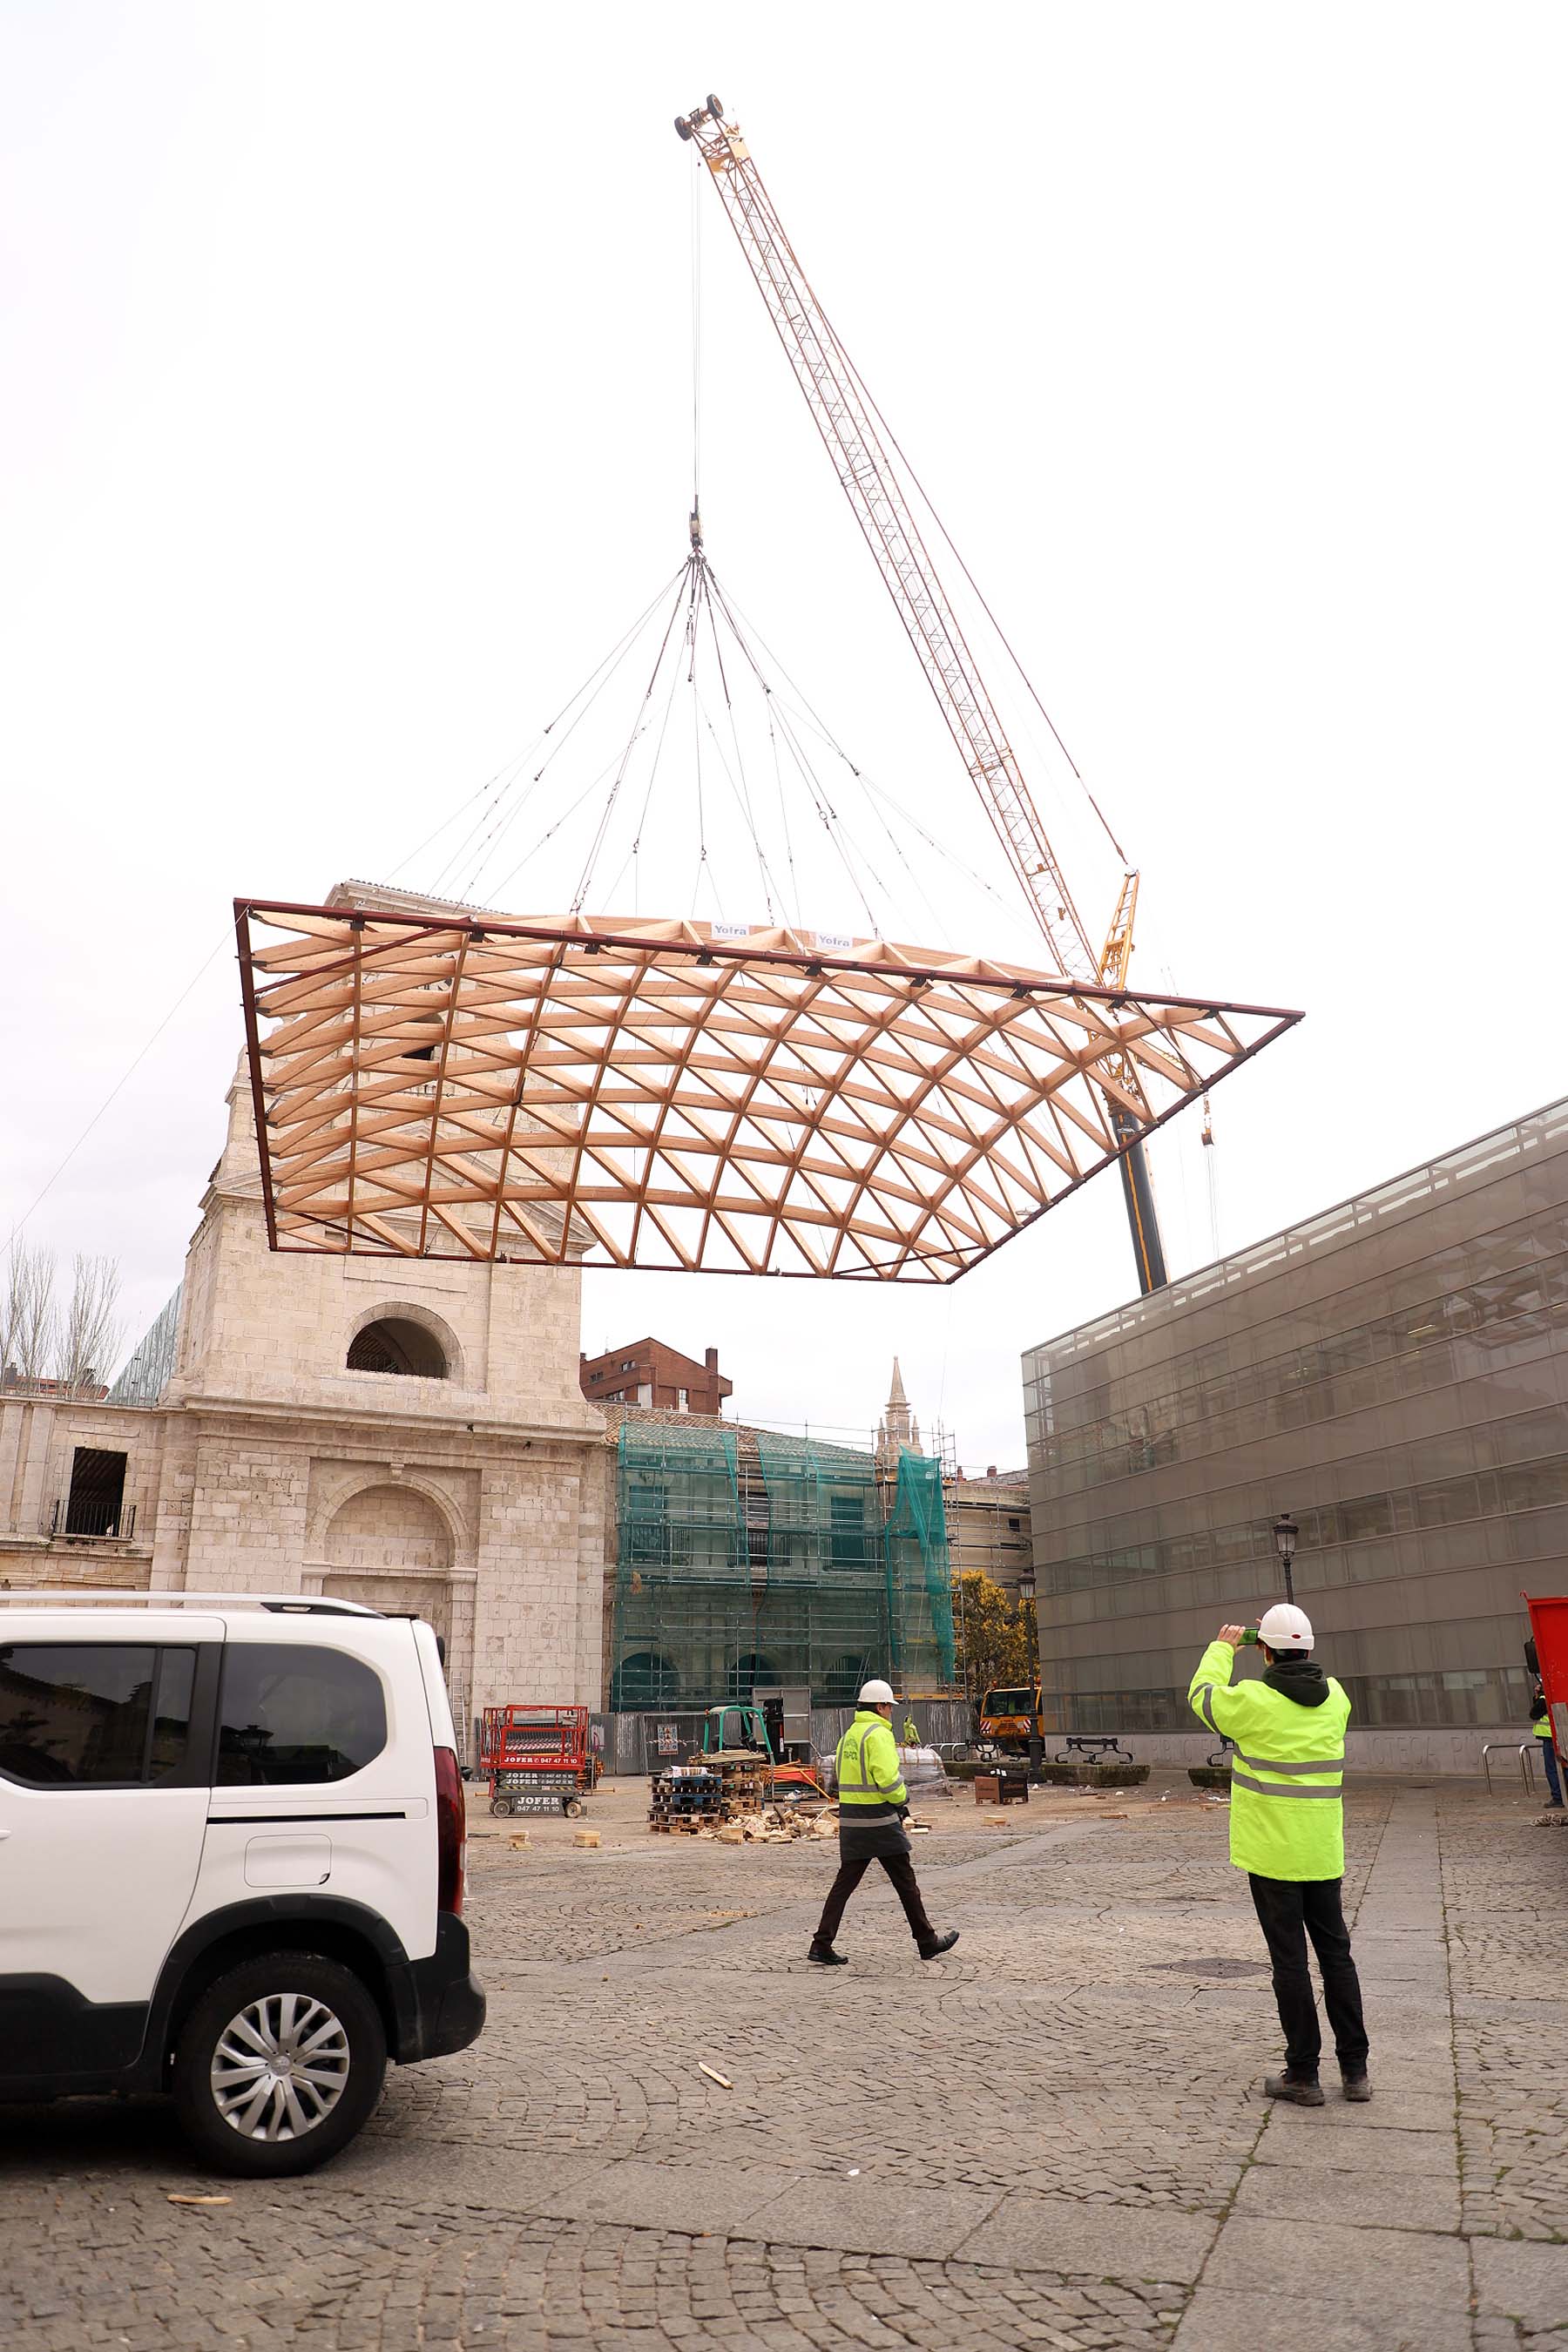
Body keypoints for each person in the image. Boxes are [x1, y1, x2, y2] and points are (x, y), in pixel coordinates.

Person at [1189, 1605, 1370, 2107]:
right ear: (1310, 1649)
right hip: (1322, 1851)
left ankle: (1303, 2074)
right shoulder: (1337, 1699)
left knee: (1290, 1964)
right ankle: (1355, 2071)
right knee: (1338, 1958)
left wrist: (1223, 1647)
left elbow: (1201, 1697)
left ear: (1264, 1650)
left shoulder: (1251, 1701)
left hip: (1272, 1857)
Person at [808, 1678, 959, 1966]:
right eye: (889, 1706)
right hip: (879, 1819)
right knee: (906, 1882)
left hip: (853, 1820)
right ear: (879, 1706)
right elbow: (888, 1779)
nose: (891, 1712)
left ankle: (821, 1943)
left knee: (844, 1884)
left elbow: (840, 1774)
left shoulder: (850, 1734)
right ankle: (927, 1942)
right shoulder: (878, 1734)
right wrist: (902, 1799)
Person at [1530, 1678, 1563, 1808]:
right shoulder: (1556, 1696)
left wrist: (1537, 1697)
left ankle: (1557, 1797)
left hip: (1549, 1737)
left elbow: (1534, 1714)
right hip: (1559, 1736)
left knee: (1552, 1769)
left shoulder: (1543, 1699)